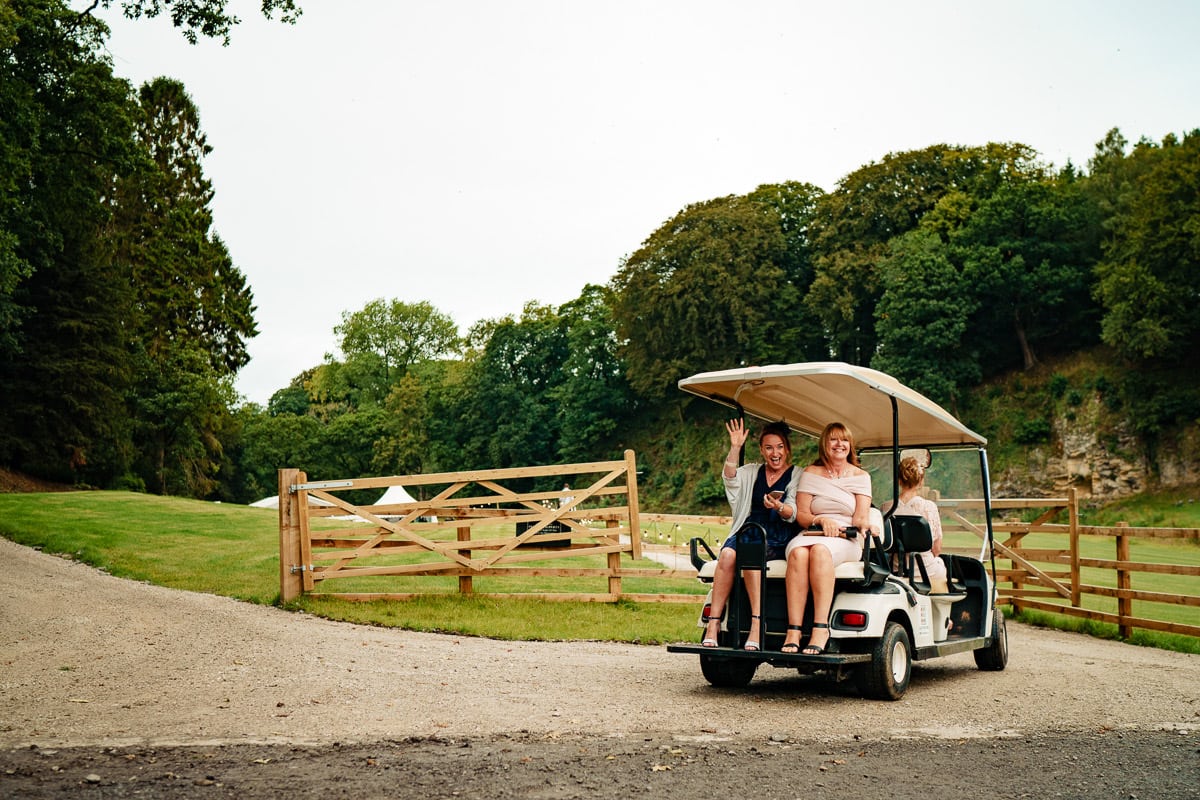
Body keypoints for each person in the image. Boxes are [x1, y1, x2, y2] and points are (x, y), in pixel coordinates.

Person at [702, 418, 801, 651]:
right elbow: (730, 477)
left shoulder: (797, 474)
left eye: (779, 447)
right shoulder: (753, 472)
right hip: (749, 529)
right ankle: (713, 624)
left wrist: (777, 507)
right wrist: (735, 447)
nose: (774, 453)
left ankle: (757, 623)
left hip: (778, 532)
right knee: (726, 554)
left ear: (786, 449)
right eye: (768, 447)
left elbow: (794, 512)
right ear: (762, 450)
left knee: (751, 554)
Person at [779, 422, 874, 655]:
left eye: (843, 440)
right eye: (833, 439)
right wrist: (821, 520)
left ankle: (820, 628)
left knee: (820, 551)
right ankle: (794, 630)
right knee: (798, 553)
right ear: (825, 444)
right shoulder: (812, 473)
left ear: (850, 445)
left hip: (846, 537)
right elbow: (802, 515)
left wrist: (866, 525)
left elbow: (860, 517)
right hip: (812, 531)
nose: (839, 444)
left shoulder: (861, 477)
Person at [883, 456, 949, 593]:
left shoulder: (886, 507)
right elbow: (936, 549)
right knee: (941, 564)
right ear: (921, 481)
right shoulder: (928, 507)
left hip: (896, 569)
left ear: (899, 481)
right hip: (926, 569)